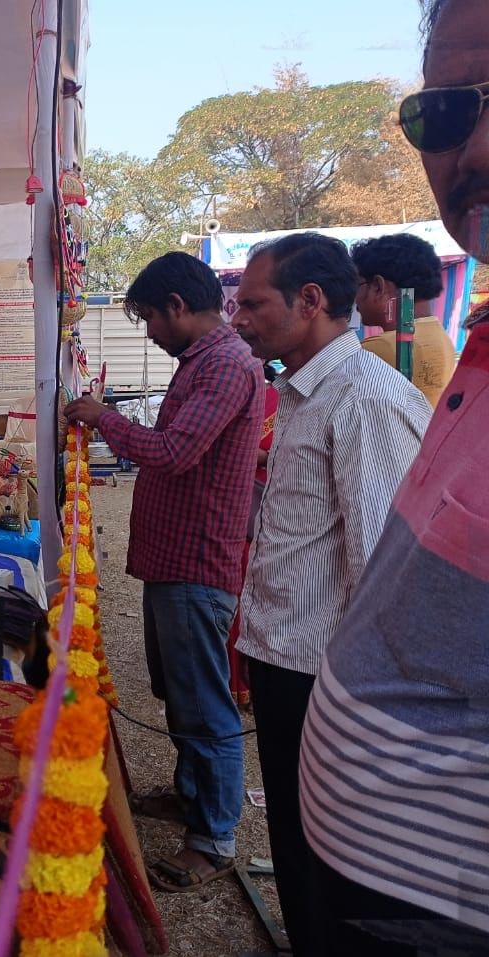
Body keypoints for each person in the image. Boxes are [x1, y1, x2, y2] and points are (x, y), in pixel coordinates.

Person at [299, 1, 489, 951]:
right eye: (446, 114)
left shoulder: (379, 382)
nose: (476, 145)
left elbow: (364, 525)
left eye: (252, 303)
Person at [230, 232, 430, 952]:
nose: (239, 319)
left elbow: (385, 574)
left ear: (310, 301)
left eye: (253, 303)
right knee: (299, 843)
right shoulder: (309, 387)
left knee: (335, 861)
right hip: (293, 667)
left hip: (331, 682)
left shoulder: (365, 399)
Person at [63, 251, 263, 891]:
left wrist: (106, 420)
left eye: (149, 317)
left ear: (177, 307)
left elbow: (174, 453)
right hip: (175, 559)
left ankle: (212, 838)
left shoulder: (226, 367)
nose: (148, 330)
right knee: (179, 692)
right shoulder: (203, 363)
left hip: (197, 563)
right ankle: (189, 796)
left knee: (204, 704)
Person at [226, 361, 280, 708]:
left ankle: (243, 681)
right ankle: (237, 682)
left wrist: (247, 455)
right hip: (239, 509)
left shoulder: (277, 397)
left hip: (257, 507)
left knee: (248, 598)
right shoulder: (239, 395)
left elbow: (279, 452)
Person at [353, 232, 456, 408]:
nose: (354, 298)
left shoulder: (379, 349)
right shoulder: (441, 335)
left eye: (357, 285)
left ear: (378, 287)